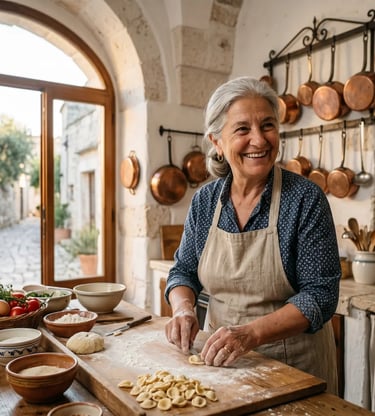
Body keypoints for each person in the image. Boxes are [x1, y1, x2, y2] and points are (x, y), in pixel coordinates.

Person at [164, 76, 341, 394]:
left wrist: (250, 334)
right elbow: (183, 272)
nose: (259, 140)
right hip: (220, 361)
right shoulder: (206, 202)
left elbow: (320, 296)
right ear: (217, 141)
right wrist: (183, 310)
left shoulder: (304, 199)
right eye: (243, 129)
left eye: (268, 125)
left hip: (294, 368)